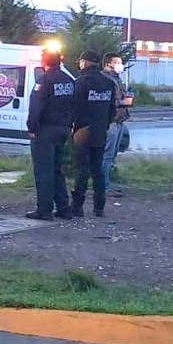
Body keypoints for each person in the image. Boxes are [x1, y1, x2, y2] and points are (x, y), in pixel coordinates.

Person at [25, 50, 76, 220]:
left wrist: (31, 128)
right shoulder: (68, 80)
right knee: (57, 169)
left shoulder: (44, 80)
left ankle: (44, 210)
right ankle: (63, 207)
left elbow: (36, 107)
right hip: (63, 129)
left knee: (43, 171)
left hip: (45, 131)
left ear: (44, 61)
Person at [70, 50, 117, 218]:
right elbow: (113, 109)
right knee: (97, 170)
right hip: (100, 131)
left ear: (85, 62)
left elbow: (73, 107)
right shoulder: (109, 83)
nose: (79, 64)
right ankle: (99, 207)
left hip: (82, 130)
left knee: (82, 169)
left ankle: (77, 207)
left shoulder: (81, 82)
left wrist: (72, 126)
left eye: (81, 62)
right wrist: (104, 124)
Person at [101, 52, 130, 194]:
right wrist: (122, 102)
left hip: (119, 120)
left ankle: (106, 183)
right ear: (108, 64)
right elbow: (108, 100)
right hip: (111, 121)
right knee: (107, 155)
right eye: (117, 62)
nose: (120, 65)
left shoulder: (116, 79)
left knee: (112, 155)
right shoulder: (105, 79)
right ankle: (103, 186)